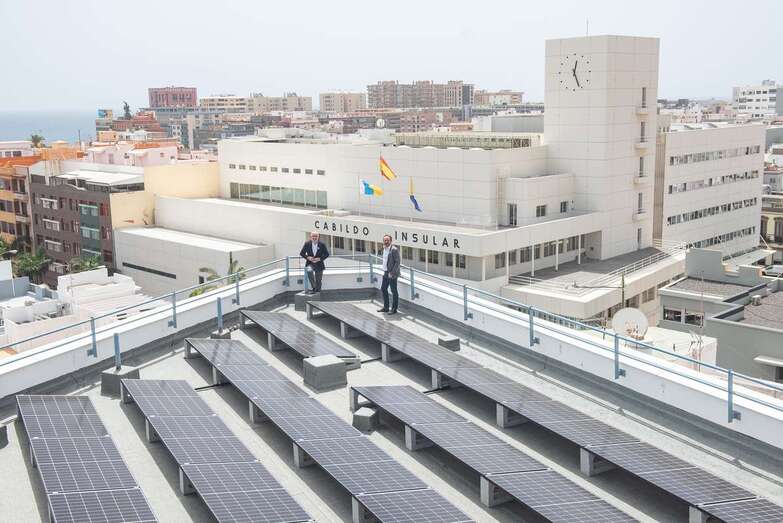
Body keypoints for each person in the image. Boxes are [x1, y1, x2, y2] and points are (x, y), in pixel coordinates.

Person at [377, 234, 400, 314]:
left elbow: (397, 262)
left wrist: (392, 273)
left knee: (394, 291)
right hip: (386, 272)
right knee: (383, 289)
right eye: (385, 240)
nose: (386, 242)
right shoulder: (384, 248)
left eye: (387, 240)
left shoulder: (394, 249)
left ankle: (394, 309)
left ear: (391, 241)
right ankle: (386, 307)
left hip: (392, 274)